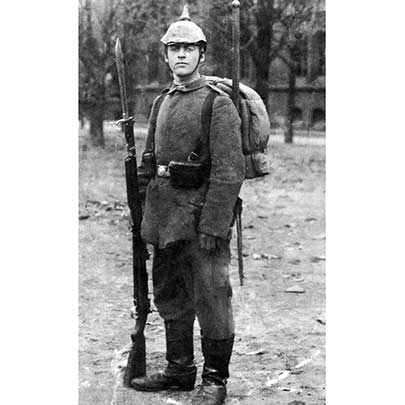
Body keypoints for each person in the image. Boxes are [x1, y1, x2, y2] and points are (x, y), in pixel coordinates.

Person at [130, 6, 245, 405]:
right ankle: (180, 370)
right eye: (174, 48)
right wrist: (142, 216)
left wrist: (214, 224)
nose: (181, 55)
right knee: (169, 294)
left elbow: (230, 170)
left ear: (201, 54)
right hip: (164, 217)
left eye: (189, 48)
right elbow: (148, 163)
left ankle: (215, 381)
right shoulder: (161, 102)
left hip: (200, 219)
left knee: (212, 295)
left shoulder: (218, 104)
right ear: (165, 56)